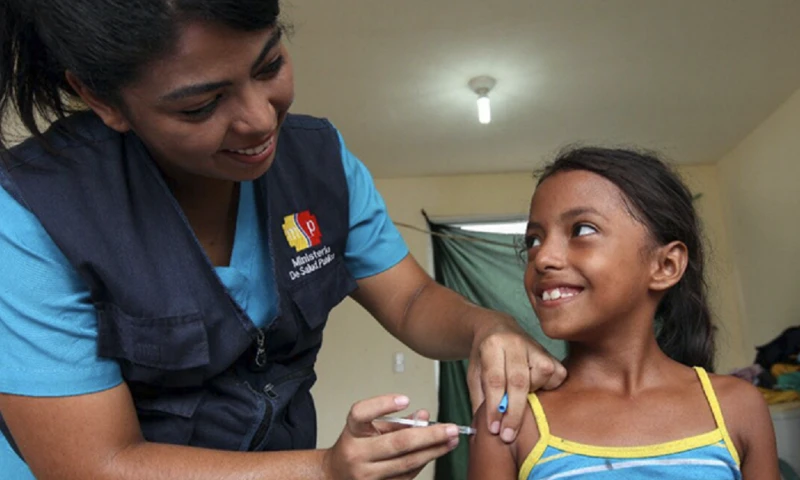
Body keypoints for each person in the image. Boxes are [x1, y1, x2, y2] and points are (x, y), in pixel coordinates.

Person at [0, 1, 567, 478]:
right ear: (101, 99)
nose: (259, 120)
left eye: (269, 65)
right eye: (201, 105)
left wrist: (488, 328)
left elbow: (413, 300)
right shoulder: (33, 212)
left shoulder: (320, 163)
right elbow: (99, 463)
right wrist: (323, 469)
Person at [468, 147, 780, 479]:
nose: (542, 257)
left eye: (582, 230)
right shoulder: (509, 421)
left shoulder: (738, 407)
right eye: (533, 240)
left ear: (665, 265)